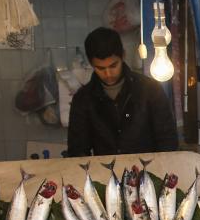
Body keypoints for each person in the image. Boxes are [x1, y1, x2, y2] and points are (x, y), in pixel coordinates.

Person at [67, 27, 178, 157]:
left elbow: (167, 141)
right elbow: (77, 150)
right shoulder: (83, 99)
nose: (108, 74)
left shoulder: (150, 89)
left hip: (148, 172)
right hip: (104, 175)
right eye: (100, 68)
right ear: (91, 64)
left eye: (113, 65)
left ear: (123, 56)